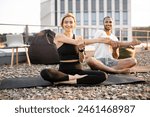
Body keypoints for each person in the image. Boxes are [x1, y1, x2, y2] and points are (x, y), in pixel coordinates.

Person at [40, 13, 109, 85]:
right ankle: (73, 78)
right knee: (45, 72)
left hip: (78, 70)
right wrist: (99, 40)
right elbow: (76, 42)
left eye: (71, 22)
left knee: (103, 75)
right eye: (66, 22)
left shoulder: (79, 38)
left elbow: (82, 60)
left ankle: (67, 81)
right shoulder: (59, 36)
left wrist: (81, 50)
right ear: (62, 24)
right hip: (63, 72)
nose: (68, 24)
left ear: (74, 24)